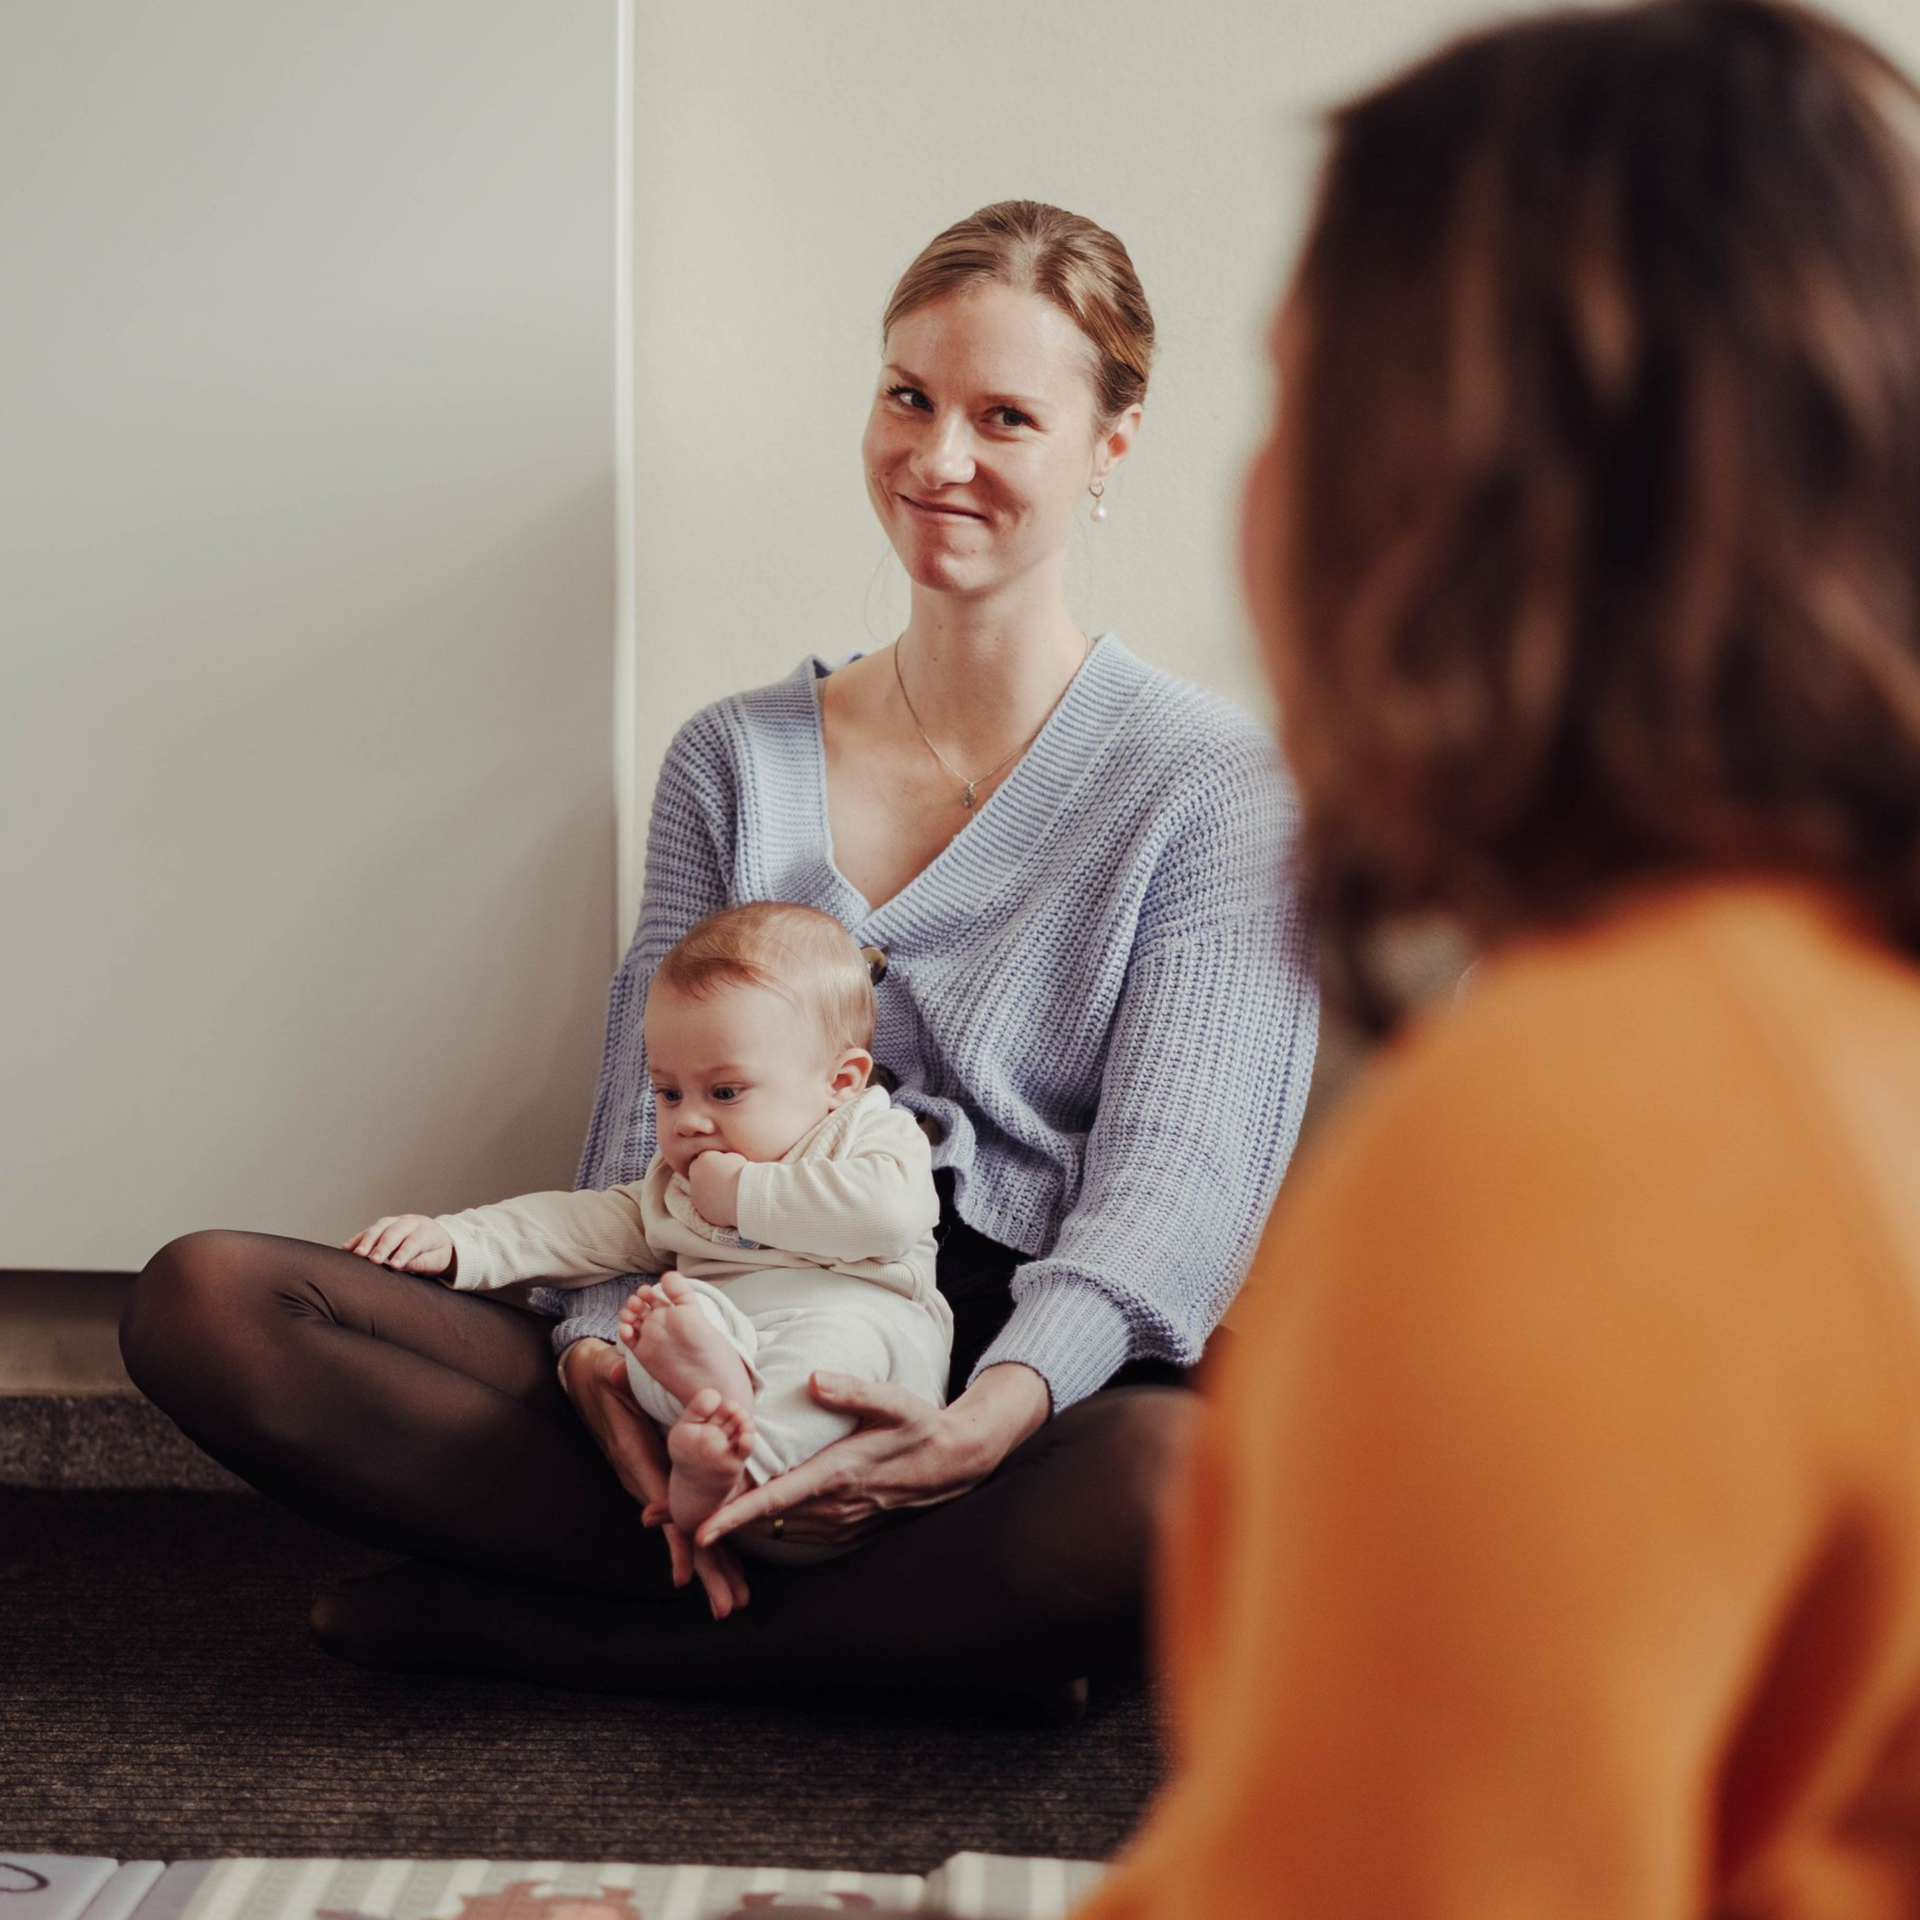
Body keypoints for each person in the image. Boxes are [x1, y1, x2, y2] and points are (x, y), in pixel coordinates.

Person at [118, 198, 1319, 1702]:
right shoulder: (732, 759)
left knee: (1172, 1481)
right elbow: (644, 1142)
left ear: (1109, 449)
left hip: (1018, 1378)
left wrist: (990, 1418)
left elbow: (1179, 1201)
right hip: (711, 1330)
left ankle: (581, 1633)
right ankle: (918, 1644)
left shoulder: (1214, 787)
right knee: (207, 1302)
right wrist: (605, 1366)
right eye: (910, 397)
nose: (940, 459)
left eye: (1006, 416)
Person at [1076, 0, 1920, 1911]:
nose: (1253, 493)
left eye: (1290, 395)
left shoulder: (1598, 1132)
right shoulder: (1823, 1015)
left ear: (1448, 492)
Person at [341, 902, 950, 1567]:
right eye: (668, 1093)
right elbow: (582, 1224)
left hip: (860, 1329)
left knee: (824, 1357)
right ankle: (713, 1419)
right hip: (733, 1346)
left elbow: (890, 1218)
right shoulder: (677, 1188)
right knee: (660, 1329)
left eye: (724, 1093)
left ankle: (737, 1467)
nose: (688, 1122)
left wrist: (741, 1197)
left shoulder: (867, 1133)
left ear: (839, 1082)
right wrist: (460, 1239)